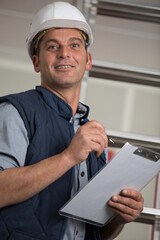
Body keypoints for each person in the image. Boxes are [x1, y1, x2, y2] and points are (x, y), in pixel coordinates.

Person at [0, 2, 144, 240]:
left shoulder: (90, 135)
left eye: (74, 45)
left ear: (87, 60)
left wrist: (120, 215)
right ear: (36, 62)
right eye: (52, 46)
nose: (64, 53)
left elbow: (96, 231)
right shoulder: (14, 112)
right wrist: (68, 157)